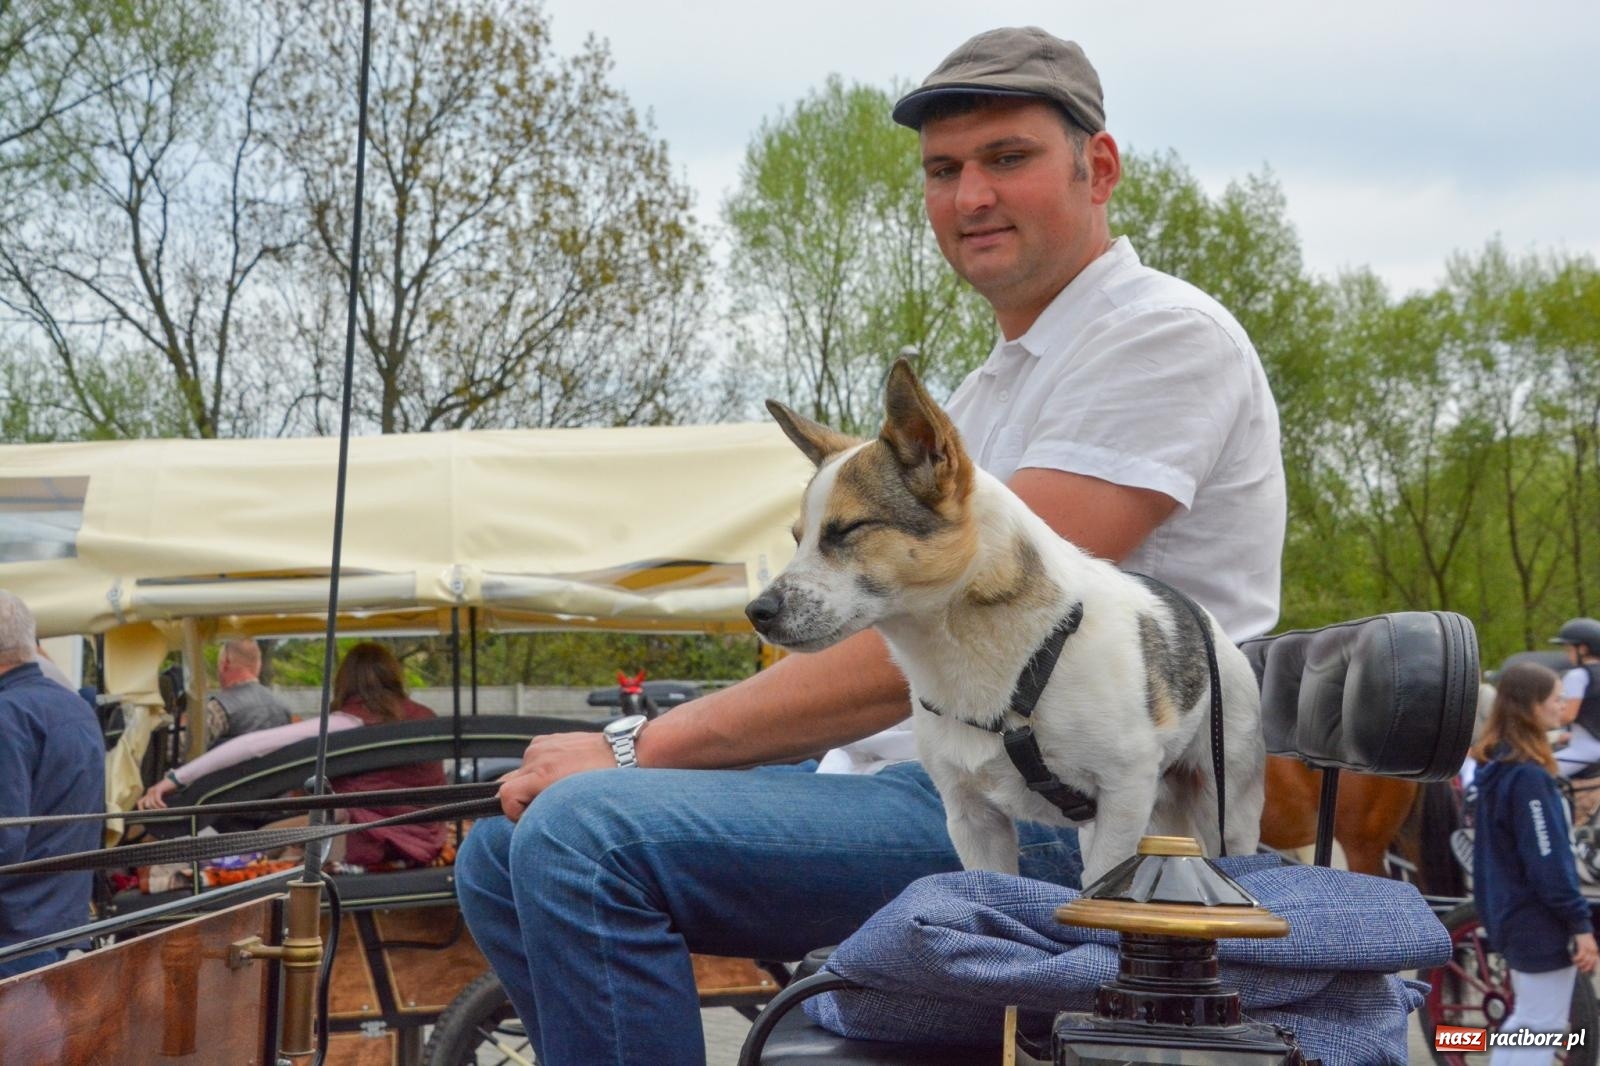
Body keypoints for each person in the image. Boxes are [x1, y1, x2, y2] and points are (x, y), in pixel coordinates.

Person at [454, 26, 1286, 1065]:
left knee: (583, 837)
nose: (969, 195)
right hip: (931, 776)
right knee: (497, 853)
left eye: (1006, 158)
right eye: (944, 170)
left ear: (1098, 167)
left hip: (1071, 801)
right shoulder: (990, 387)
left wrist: (633, 744)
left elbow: (998, 633)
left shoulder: (1162, 338)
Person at [136, 642, 446, 868]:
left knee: (264, 839)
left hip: (369, 836)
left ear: (347, 682)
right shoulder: (426, 716)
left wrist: (176, 778)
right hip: (429, 836)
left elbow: (253, 745)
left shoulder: (348, 722)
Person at [1471, 660, 1599, 1066]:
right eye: (1556, 700)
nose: (1563, 708)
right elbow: (1548, 861)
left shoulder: (1499, 768)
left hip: (1510, 911)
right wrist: (1579, 925)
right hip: (1536, 918)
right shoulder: (1529, 779)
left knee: (1531, 1023)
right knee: (1542, 1026)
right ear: (1533, 707)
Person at [0, 591, 104, 978]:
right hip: (58, 922)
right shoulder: (73, 705)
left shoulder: (8, 714)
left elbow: (4, 838)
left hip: (14, 934)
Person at [204, 638, 293, 746]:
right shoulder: (283, 708)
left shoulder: (218, 709)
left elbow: (186, 750)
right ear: (258, 665)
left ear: (225, 663)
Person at [1551, 617, 1600, 778]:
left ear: (1583, 649)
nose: (1567, 655)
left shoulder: (1577, 676)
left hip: (1586, 750)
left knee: (1532, 774)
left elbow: (1567, 716)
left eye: (1569, 649)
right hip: (1591, 744)